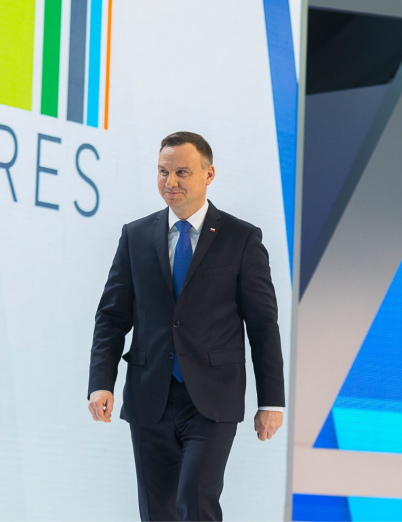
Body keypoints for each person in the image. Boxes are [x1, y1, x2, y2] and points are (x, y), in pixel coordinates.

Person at [87, 132, 285, 522]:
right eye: (163, 172)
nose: (170, 181)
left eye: (182, 172)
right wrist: (100, 382)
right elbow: (111, 316)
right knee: (157, 512)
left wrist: (271, 402)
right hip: (150, 396)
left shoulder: (241, 239)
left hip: (213, 398)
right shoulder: (135, 236)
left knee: (196, 503)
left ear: (209, 174)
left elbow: (263, 324)